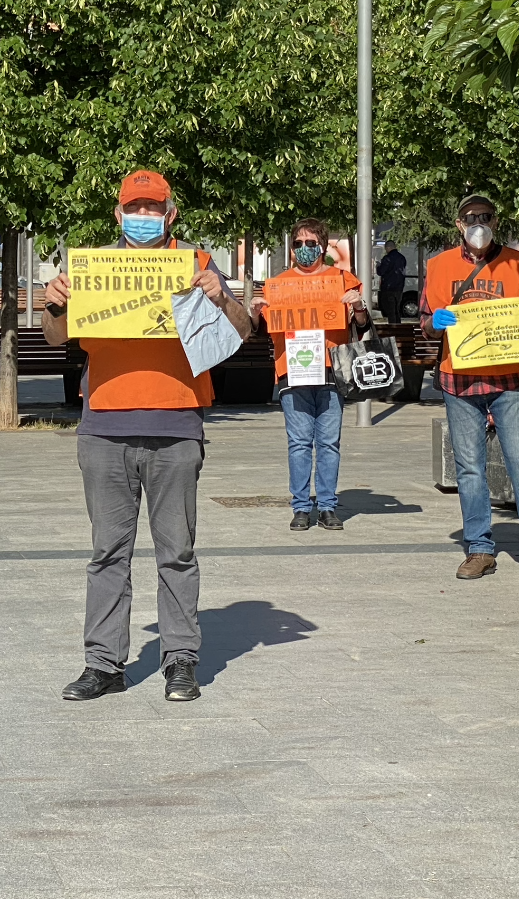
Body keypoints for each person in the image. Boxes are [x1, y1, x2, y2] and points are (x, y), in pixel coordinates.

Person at [41, 169, 252, 703]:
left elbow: (242, 331)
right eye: (134, 208)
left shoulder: (198, 263)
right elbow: (55, 336)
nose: (143, 217)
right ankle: (103, 664)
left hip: (176, 425)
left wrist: (221, 298)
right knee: (107, 552)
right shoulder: (90, 268)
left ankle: (180, 660)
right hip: (104, 427)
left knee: (176, 552)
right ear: (118, 214)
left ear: (170, 214)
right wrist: (54, 302)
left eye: (152, 208)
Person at [422, 193, 519, 584]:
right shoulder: (438, 266)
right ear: (459, 224)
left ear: (496, 221)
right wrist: (435, 322)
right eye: (470, 217)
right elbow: (425, 323)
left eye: (485, 216)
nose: (478, 224)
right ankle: (479, 549)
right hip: (459, 380)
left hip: (508, 381)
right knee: (470, 469)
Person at [253, 218, 367, 531]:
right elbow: (262, 329)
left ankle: (328, 506)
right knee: (299, 443)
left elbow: (362, 326)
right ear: (292, 248)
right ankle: (301, 507)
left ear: (323, 246)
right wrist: (255, 312)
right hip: (292, 372)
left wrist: (358, 306)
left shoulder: (343, 280)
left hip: (332, 371)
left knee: (329, 443)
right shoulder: (277, 285)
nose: (304, 248)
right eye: (298, 243)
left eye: (311, 243)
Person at [375, 240, 408, 324]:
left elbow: (381, 272)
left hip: (388, 287)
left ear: (388, 248)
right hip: (399, 287)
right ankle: (398, 326)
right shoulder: (402, 258)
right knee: (397, 309)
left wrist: (378, 266)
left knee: (390, 310)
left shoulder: (387, 258)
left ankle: (392, 327)